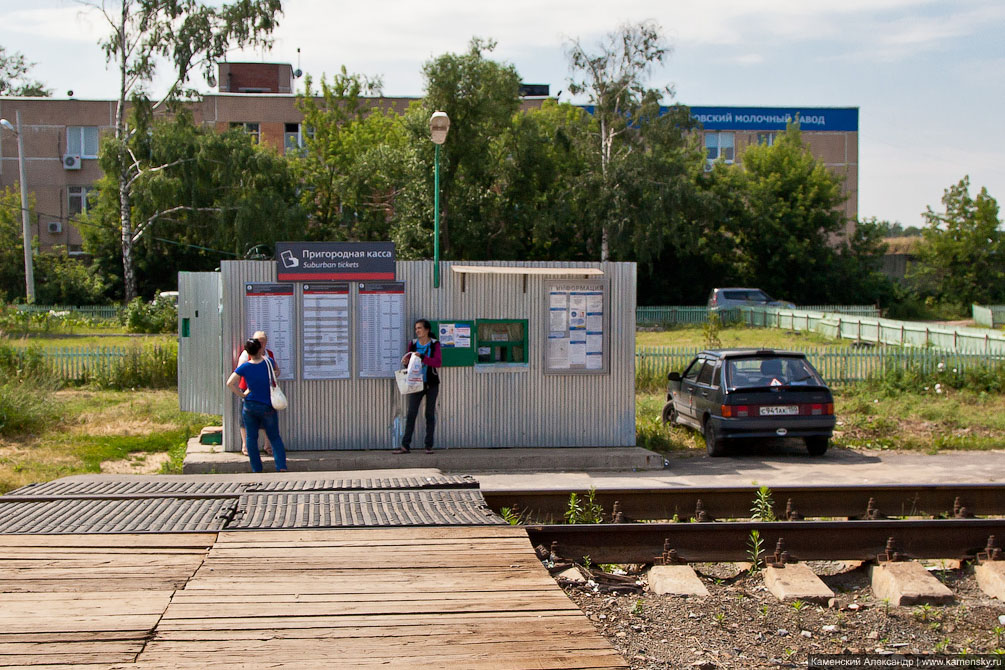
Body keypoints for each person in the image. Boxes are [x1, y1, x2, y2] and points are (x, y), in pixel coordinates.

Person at [226, 338, 288, 473]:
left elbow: (230, 383)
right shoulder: (268, 363)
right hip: (267, 406)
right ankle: (281, 466)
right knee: (274, 437)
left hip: (250, 406)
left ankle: (256, 468)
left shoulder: (245, 367)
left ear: (247, 352)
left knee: (251, 437)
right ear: (260, 349)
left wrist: (242, 395)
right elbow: (276, 372)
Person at [393, 319, 442, 454]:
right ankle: (405, 445)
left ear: (427, 330)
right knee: (411, 413)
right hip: (415, 382)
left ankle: (428, 445)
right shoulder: (413, 344)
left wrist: (423, 357)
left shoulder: (434, 344)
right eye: (416, 329)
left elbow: (437, 362)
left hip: (431, 383)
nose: (417, 331)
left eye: (420, 328)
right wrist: (405, 362)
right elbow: (409, 364)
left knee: (429, 414)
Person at [237, 331, 277, 457]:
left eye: (262, 341)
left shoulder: (269, 355)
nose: (260, 344)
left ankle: (267, 444)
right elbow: (239, 372)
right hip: (249, 390)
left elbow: (276, 370)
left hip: (265, 390)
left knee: (266, 418)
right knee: (245, 420)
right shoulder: (246, 354)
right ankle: (245, 445)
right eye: (258, 341)